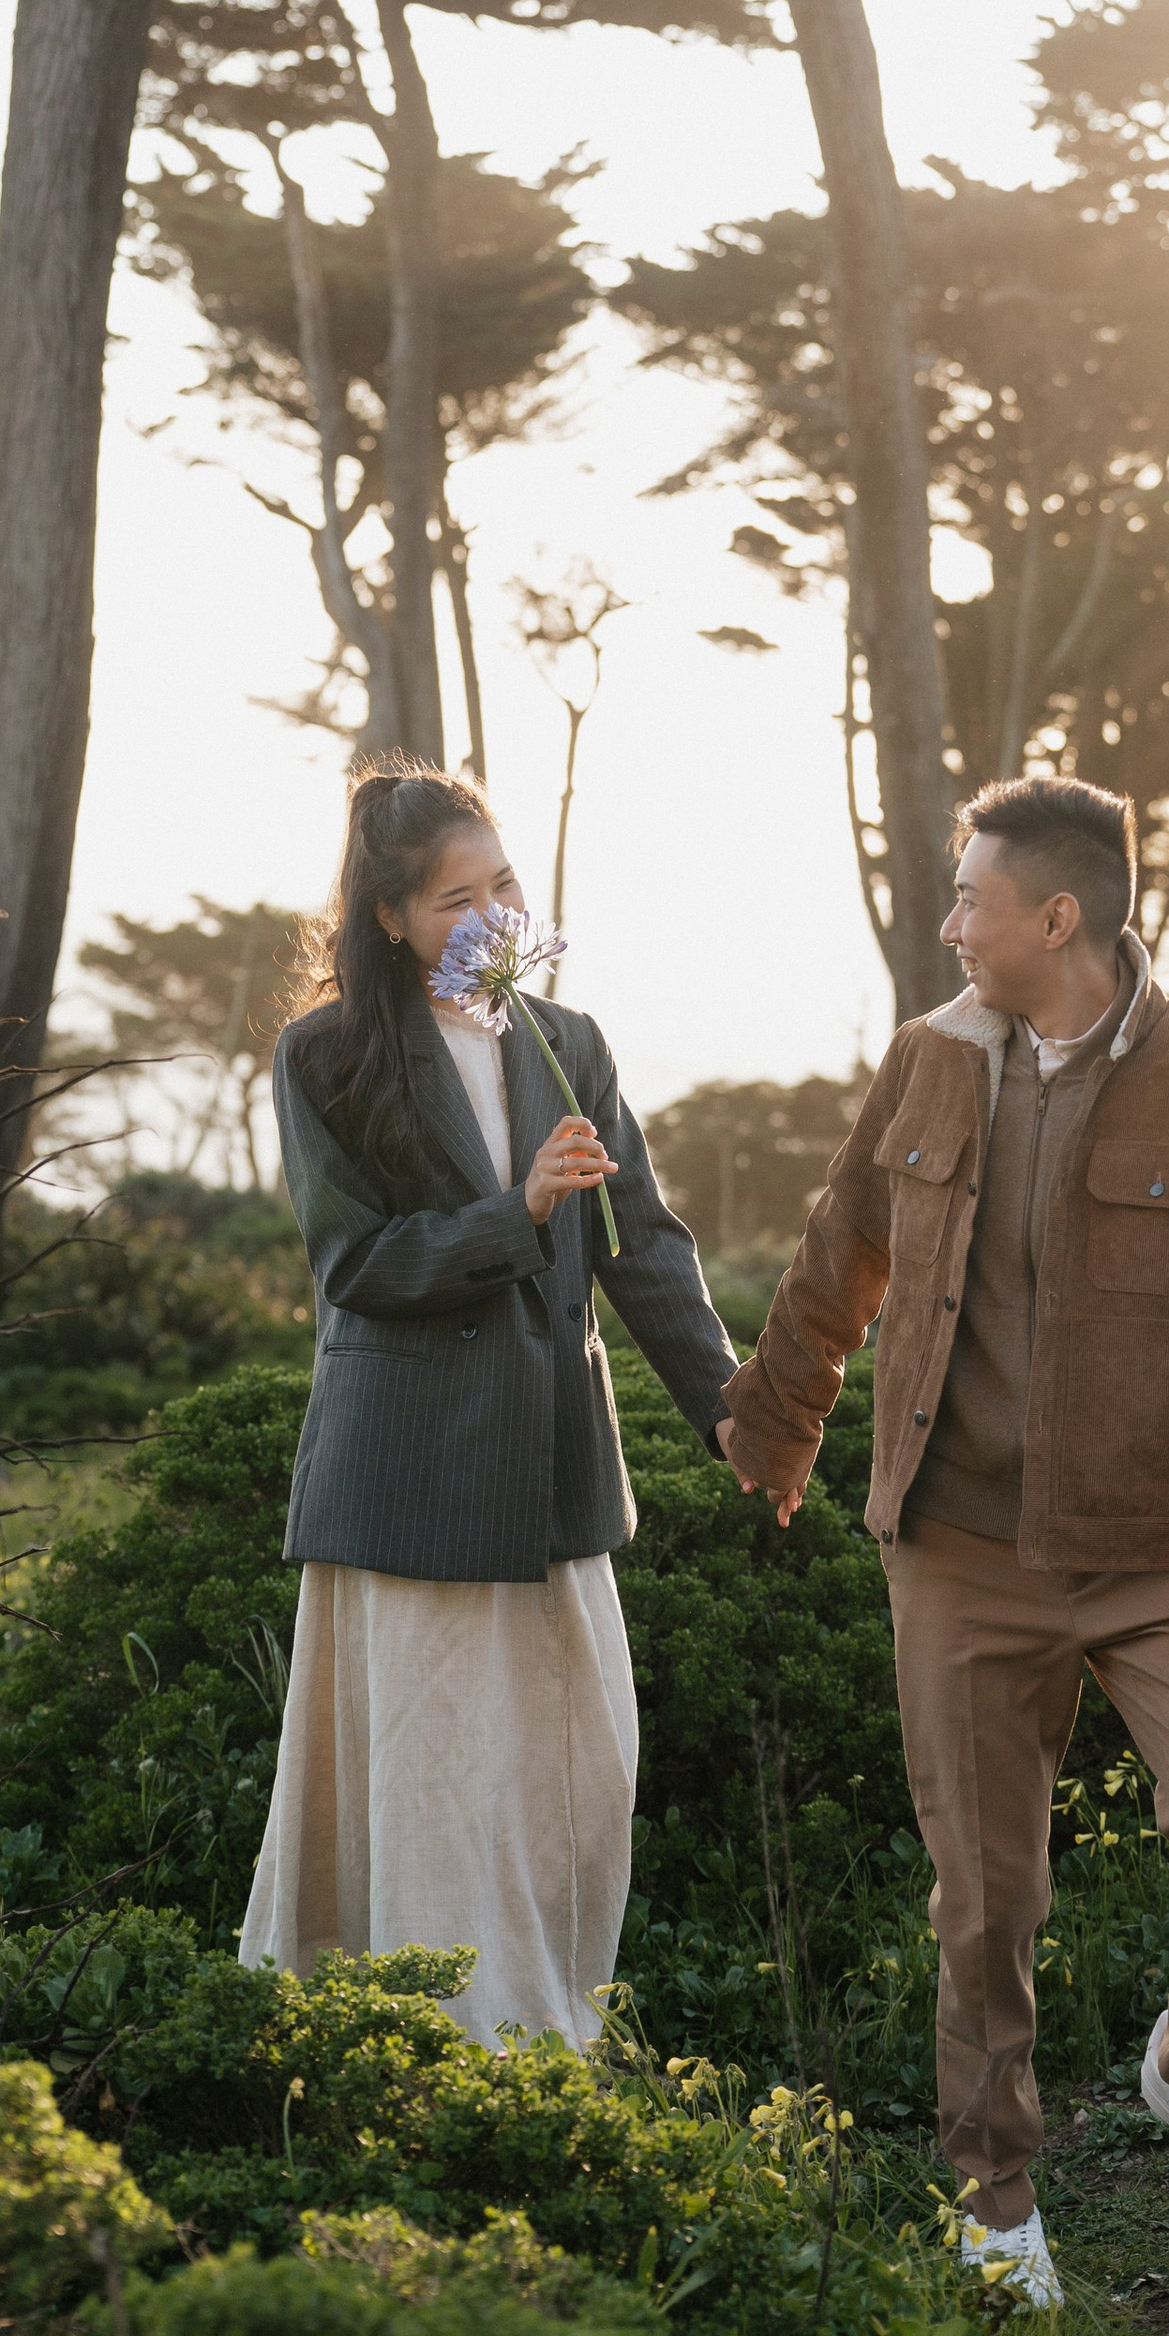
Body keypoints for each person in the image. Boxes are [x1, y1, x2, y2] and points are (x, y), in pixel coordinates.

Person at [718, 774, 1169, 2306]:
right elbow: (841, 1249)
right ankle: (996, 2198)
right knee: (988, 1898)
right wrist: (777, 1418)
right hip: (955, 1544)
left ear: (1058, 916)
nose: (949, 924)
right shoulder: (929, 1064)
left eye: (969, 899)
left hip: (1156, 1552)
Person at [241, 757, 738, 2051]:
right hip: (407, 1475)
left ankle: (544, 2026)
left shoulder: (567, 1043)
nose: (492, 915)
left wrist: (735, 1411)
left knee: (582, 1766)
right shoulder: (326, 1054)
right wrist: (512, 1215)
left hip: (557, 1470)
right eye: (454, 897)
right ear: (392, 917)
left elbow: (647, 1243)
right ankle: (426, 2037)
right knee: (433, 1782)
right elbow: (355, 1265)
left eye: (505, 882)